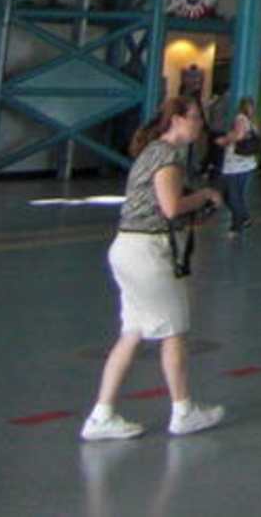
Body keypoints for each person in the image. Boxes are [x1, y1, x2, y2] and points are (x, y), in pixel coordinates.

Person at [80, 98, 226, 441]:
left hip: (127, 247)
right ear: (176, 120)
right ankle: (183, 410)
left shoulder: (152, 152)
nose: (200, 125)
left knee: (131, 333)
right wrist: (205, 195)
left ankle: (102, 413)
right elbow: (171, 207)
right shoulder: (167, 156)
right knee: (174, 331)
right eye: (195, 118)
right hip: (148, 252)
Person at [220, 97, 260, 236]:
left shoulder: (240, 118)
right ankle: (243, 218)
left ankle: (237, 224)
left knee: (231, 195)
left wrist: (225, 140)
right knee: (238, 195)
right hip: (247, 163)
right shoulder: (253, 122)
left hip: (234, 164)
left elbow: (239, 136)